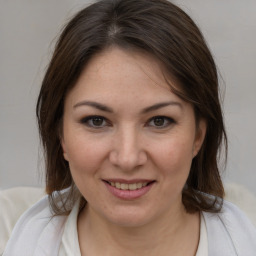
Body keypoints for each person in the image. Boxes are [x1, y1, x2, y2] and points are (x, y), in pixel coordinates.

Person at [3, 0, 256, 255]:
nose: (127, 158)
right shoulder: (6, 231)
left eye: (159, 121)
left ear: (198, 135)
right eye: (96, 121)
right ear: (61, 136)